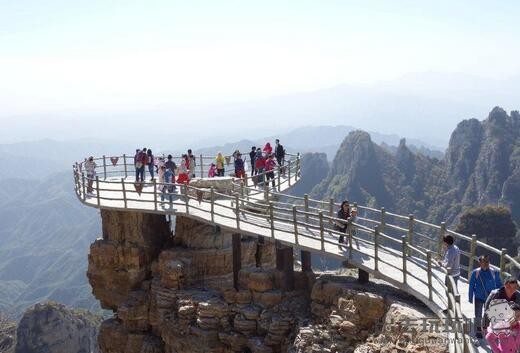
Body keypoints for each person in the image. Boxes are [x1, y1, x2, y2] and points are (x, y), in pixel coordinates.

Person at [469, 255, 503, 338]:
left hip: (490, 297)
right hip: (478, 296)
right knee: (478, 315)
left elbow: (499, 284)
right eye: (484, 261)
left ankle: (484, 329)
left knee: (487, 314)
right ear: (480, 262)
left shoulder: (494, 272)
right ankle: (478, 331)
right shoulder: (475, 272)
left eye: (487, 261)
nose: (486, 263)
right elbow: (471, 285)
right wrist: (470, 297)